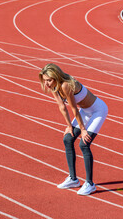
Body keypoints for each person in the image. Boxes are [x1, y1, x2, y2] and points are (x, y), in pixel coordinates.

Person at [39, 63, 108, 196]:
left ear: (56, 76)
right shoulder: (54, 87)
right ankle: (73, 179)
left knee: (84, 143)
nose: (47, 83)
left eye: (49, 80)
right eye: (45, 80)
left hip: (98, 110)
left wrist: (82, 129)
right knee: (68, 138)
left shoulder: (65, 85)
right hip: (86, 112)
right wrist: (69, 126)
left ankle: (90, 184)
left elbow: (74, 109)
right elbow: (62, 107)